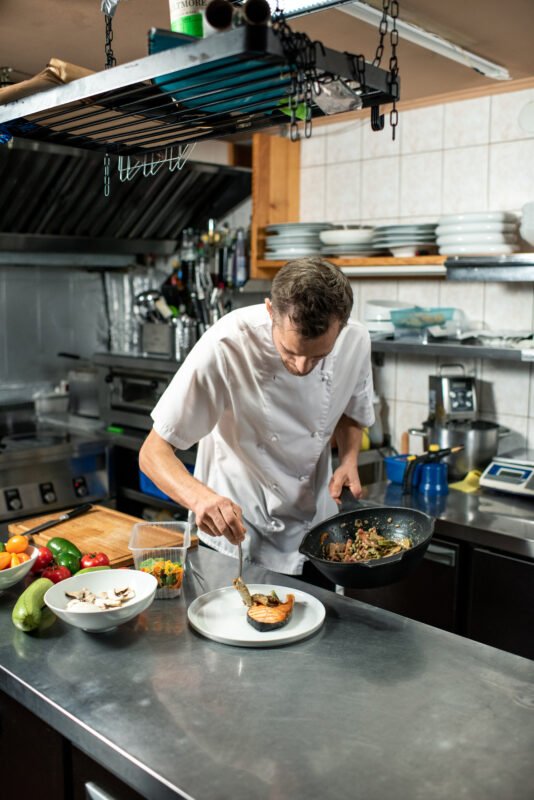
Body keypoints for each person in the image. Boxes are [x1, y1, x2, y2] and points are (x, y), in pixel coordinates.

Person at [139, 257, 375, 584]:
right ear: (269, 311)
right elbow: (153, 452)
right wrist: (199, 498)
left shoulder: (356, 340)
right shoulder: (228, 342)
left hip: (316, 531)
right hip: (236, 533)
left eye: (318, 356)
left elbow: (352, 408)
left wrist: (349, 460)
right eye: (289, 353)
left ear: (343, 326)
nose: (303, 367)